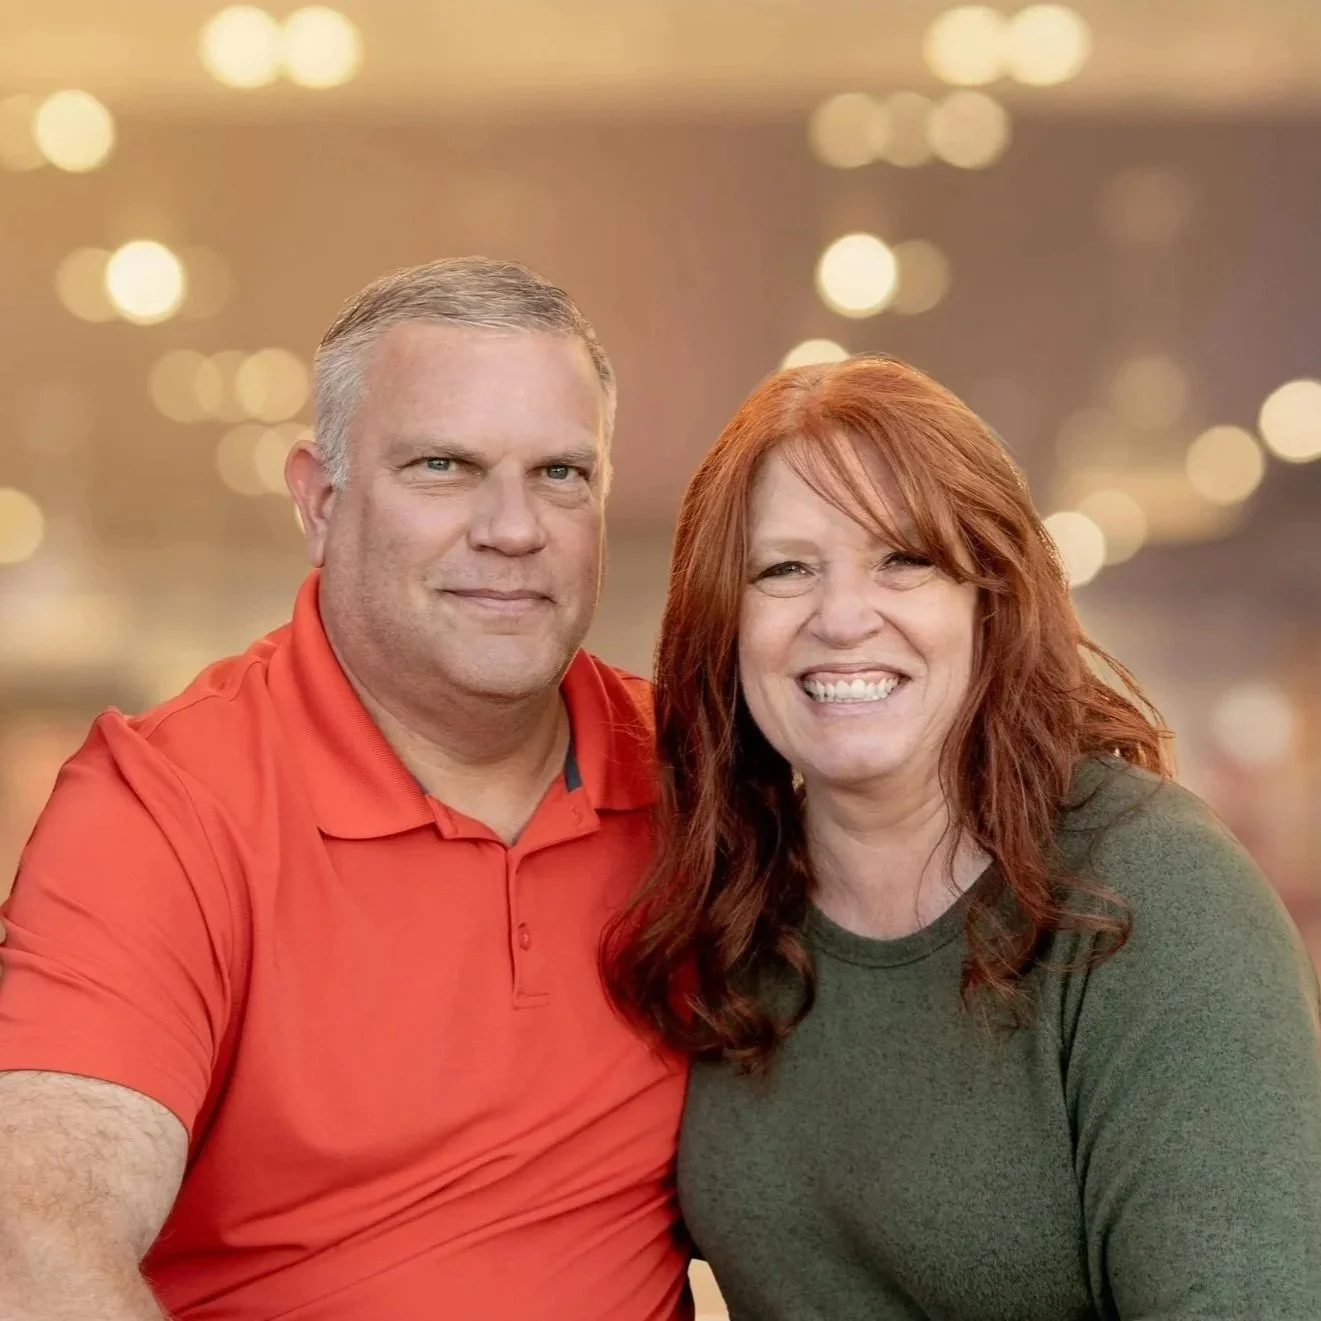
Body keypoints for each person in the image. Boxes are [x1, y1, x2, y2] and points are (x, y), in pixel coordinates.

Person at [0, 258, 690, 1320]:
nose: (514, 528)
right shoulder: (164, 804)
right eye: (444, 465)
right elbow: (33, 1239)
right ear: (319, 502)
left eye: (562, 474)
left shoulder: (700, 779)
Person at [604, 354, 1321, 1320]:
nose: (843, 616)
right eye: (784, 569)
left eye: (903, 558)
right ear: (721, 626)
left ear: (990, 597)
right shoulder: (727, 904)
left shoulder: (1153, 889)